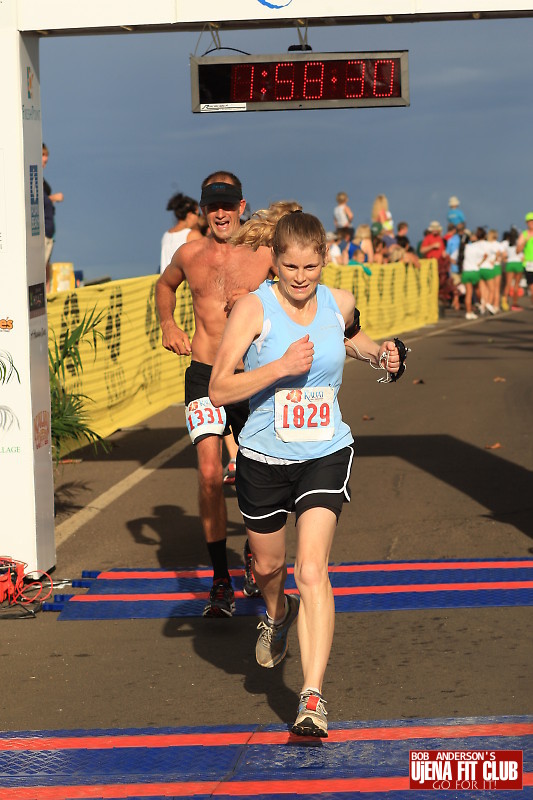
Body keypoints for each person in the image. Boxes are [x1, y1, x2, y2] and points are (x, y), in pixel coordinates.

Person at [208, 208, 403, 737]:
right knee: (270, 569)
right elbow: (220, 389)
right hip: (264, 458)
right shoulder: (254, 309)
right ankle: (276, 613)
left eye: (310, 268)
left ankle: (312, 697)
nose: (300, 278)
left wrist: (384, 356)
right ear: (275, 261)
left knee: (311, 569)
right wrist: (277, 368)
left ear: (323, 261)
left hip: (324, 450)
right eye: (290, 267)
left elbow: (354, 341)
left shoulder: (339, 303)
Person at [155, 171, 274, 615]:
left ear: (242, 207)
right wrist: (168, 323)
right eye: (213, 205)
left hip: (251, 376)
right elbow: (164, 285)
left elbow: (301, 288)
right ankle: (220, 582)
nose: (221, 213)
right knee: (209, 473)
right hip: (204, 375)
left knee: (256, 474)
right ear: (204, 210)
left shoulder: (265, 255)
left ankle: (253, 552)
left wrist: (262, 294)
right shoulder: (189, 255)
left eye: (228, 204)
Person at [160, 192, 203, 273]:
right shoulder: (193, 235)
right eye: (198, 214)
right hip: (185, 284)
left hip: (167, 284)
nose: (198, 218)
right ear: (190, 214)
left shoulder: (166, 235)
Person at [42, 143, 64, 292]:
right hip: (42, 232)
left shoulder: (41, 180)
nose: (45, 159)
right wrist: (53, 198)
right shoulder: (33, 180)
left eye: (46, 156)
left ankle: (47, 298)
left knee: (46, 268)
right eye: (43, 155)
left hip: (49, 232)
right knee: (40, 269)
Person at [500, 227, 524, 311]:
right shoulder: (519, 241)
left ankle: (504, 301)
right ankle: (514, 303)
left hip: (509, 264)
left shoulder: (505, 243)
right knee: (516, 285)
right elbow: (522, 255)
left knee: (508, 284)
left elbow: (503, 254)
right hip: (518, 263)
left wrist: (505, 259)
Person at [517, 212, 533, 305]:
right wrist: (524, 242)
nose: (531, 223)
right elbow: (517, 250)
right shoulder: (524, 234)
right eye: (529, 222)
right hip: (529, 264)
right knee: (532, 286)